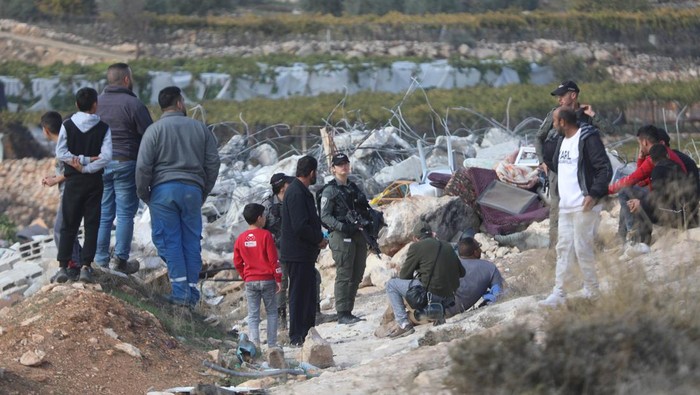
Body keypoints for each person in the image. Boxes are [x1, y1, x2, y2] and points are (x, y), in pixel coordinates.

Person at [135, 86, 220, 306]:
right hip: (192, 190)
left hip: (163, 192)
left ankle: (180, 292)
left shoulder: (153, 131)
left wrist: (146, 195)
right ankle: (191, 293)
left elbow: (143, 166)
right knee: (191, 240)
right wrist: (203, 190)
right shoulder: (200, 128)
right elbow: (213, 162)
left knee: (168, 240)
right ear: (180, 103)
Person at [540, 107, 612, 307]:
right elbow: (556, 164)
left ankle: (592, 291)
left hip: (584, 205)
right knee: (563, 248)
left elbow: (604, 168)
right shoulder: (561, 141)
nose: (553, 125)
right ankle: (559, 293)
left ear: (563, 122)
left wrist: (594, 194)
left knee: (583, 249)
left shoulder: (588, 138)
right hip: (566, 207)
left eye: (555, 121)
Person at [535, 80, 616, 250]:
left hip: (582, 170)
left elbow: (611, 131)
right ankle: (555, 248)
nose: (559, 100)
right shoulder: (555, 114)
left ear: (573, 95)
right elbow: (539, 137)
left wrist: (593, 115)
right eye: (558, 97)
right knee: (557, 208)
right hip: (558, 168)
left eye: (562, 96)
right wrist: (542, 160)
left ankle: (589, 244)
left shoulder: (586, 115)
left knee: (586, 206)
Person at [95, 63, 153, 274]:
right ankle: (120, 260)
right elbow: (150, 136)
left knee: (104, 214)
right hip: (126, 163)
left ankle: (100, 260)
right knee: (125, 214)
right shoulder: (133, 104)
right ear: (127, 79)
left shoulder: (96, 104)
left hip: (101, 163)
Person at [54, 87, 113, 283]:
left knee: (68, 224)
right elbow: (106, 157)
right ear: (95, 105)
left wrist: (79, 162)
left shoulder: (67, 125)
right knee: (92, 224)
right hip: (94, 181)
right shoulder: (104, 128)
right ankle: (86, 267)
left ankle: (63, 266)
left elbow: (61, 153)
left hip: (73, 181)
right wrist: (88, 163)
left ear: (77, 105)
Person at [385, 221, 465, 338]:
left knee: (391, 284)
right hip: (449, 297)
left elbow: (404, 276)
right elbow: (462, 272)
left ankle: (404, 325)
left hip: (431, 296)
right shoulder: (447, 245)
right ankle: (438, 316)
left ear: (415, 238)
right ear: (432, 234)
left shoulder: (416, 247)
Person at [610, 125, 687, 244]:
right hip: (676, 202)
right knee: (629, 195)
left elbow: (633, 179)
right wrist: (641, 158)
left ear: (645, 142)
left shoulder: (654, 159)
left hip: (668, 205)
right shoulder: (664, 153)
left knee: (625, 192)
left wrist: (607, 190)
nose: (639, 147)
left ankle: (632, 234)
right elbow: (641, 180)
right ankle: (623, 235)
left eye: (639, 143)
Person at [280, 156, 327, 346]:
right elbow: (300, 226)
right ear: (311, 172)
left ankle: (307, 332)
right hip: (297, 253)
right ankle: (297, 336)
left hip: (303, 253)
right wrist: (318, 239)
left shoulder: (300, 190)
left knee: (307, 293)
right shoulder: (297, 193)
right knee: (298, 294)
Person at [320, 153, 370, 325]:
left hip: (357, 234)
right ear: (333, 168)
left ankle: (349, 309)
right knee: (344, 273)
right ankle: (342, 312)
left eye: (346, 164)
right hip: (341, 236)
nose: (344, 167)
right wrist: (342, 227)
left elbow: (364, 208)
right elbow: (325, 216)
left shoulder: (353, 187)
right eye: (340, 165)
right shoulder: (330, 190)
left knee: (357, 272)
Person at [233, 203, 282, 349]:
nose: (266, 218)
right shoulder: (266, 235)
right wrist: (278, 278)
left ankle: (255, 345)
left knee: (253, 315)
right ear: (259, 218)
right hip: (267, 280)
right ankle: (272, 345)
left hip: (250, 281)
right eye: (264, 215)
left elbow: (237, 262)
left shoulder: (241, 238)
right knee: (272, 312)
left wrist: (245, 276)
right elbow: (274, 260)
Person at [40, 111, 82, 281]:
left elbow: (73, 170)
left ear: (45, 130)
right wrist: (55, 178)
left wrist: (54, 180)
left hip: (70, 192)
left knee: (60, 230)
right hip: (71, 190)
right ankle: (79, 261)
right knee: (69, 229)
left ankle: (72, 266)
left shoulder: (63, 146)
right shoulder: (64, 144)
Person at [626, 144, 695, 235]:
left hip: (679, 216)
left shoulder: (658, 171)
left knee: (641, 207)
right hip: (688, 213)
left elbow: (657, 199)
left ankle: (641, 243)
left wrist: (640, 203)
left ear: (651, 160)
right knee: (642, 203)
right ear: (667, 155)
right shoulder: (676, 165)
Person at [262, 173, 294, 328]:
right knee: (281, 283)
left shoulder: (292, 200)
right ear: (282, 187)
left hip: (293, 248)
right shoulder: (268, 206)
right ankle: (281, 321)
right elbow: (261, 230)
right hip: (277, 250)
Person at [443, 237, 504, 318]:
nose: (481, 250)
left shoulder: (448, 264)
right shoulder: (489, 268)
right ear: (475, 252)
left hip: (431, 306)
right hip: (448, 313)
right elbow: (498, 293)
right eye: (479, 247)